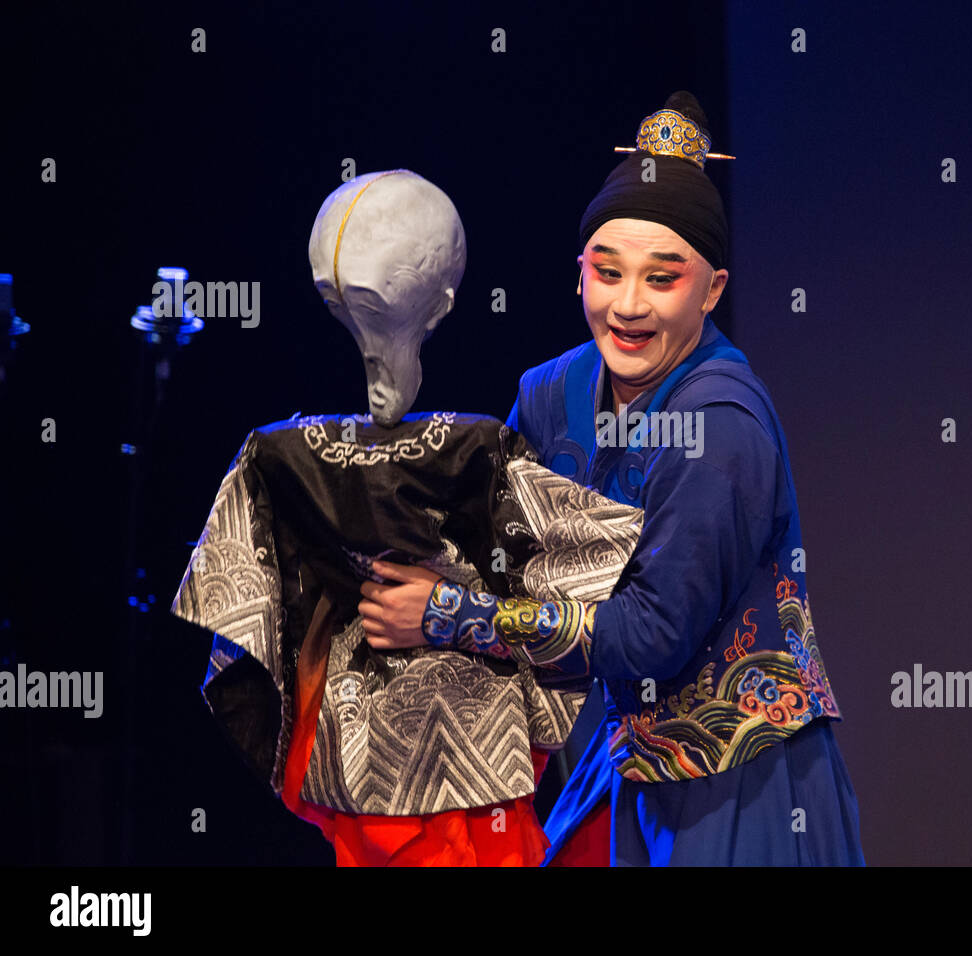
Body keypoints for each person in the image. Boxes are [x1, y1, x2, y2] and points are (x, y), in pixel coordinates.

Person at [359, 91, 865, 866]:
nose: (628, 306)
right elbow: (492, 545)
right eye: (608, 272)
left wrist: (447, 614)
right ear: (579, 276)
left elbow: (653, 637)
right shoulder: (551, 393)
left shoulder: (721, 426)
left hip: (741, 782)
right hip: (621, 763)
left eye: (663, 280)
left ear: (713, 289)